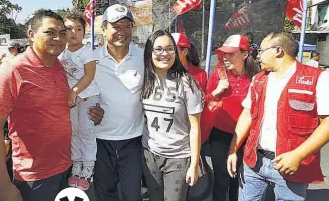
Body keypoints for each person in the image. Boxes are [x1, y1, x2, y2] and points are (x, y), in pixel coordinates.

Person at [227, 32, 329, 201]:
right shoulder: (258, 79)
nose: (257, 56)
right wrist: (233, 150)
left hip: (291, 166)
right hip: (253, 162)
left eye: (261, 50)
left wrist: (297, 155)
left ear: (278, 51)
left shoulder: (318, 78)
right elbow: (247, 114)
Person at [0, 10, 72, 201]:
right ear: (31, 34)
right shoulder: (12, 70)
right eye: (50, 32)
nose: (58, 38)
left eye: (63, 33)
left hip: (66, 169)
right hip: (33, 177)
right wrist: (3, 186)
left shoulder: (60, 67)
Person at [89, 4, 144, 201]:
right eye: (115, 26)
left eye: (127, 26)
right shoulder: (91, 59)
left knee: (132, 195)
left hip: (134, 140)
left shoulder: (144, 56)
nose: (122, 32)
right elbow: (79, 93)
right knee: (105, 194)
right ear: (103, 29)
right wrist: (90, 109)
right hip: (100, 141)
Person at [141, 30, 202, 201]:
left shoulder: (187, 83)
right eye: (158, 49)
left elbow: (195, 128)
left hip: (178, 158)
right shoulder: (145, 79)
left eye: (169, 49)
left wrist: (194, 165)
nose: (164, 54)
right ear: (149, 52)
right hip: (149, 154)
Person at [204, 35, 259, 201]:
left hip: (246, 138)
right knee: (222, 179)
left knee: (239, 179)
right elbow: (203, 103)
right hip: (219, 135)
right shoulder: (218, 74)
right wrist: (216, 92)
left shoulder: (256, 78)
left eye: (230, 53)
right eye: (223, 53)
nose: (225, 57)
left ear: (244, 54)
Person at [60, 13, 99, 191]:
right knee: (73, 132)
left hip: (87, 97)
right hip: (71, 100)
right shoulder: (62, 53)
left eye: (78, 29)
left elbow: (89, 75)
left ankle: (88, 168)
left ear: (84, 32)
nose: (74, 32)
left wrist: (74, 91)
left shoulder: (87, 51)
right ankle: (76, 166)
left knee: (86, 132)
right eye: (69, 29)